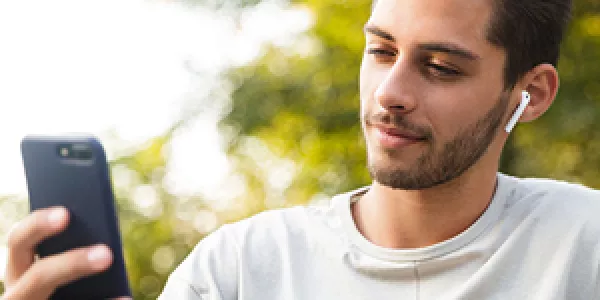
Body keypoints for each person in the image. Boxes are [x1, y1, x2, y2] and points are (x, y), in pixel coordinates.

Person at [4, 0, 599, 299]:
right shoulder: (239, 269)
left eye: (441, 68)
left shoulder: (584, 247)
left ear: (531, 93)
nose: (390, 94)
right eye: (381, 51)